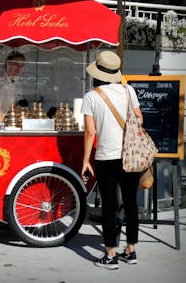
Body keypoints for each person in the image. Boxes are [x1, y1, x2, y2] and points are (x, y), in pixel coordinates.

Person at [81, 50, 143, 270]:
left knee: (109, 206)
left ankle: (110, 255)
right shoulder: (129, 90)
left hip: (106, 158)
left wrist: (85, 160)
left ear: (97, 73)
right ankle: (131, 250)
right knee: (131, 204)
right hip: (130, 155)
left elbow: (90, 132)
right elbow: (140, 119)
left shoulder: (91, 96)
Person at [0, 51, 27, 124]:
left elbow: (18, 104)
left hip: (11, 123)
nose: (19, 68)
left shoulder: (18, 82)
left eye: (21, 65)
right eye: (16, 64)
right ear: (7, 64)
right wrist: (3, 128)